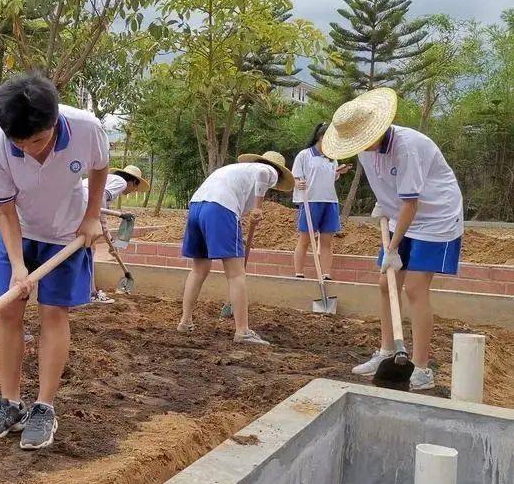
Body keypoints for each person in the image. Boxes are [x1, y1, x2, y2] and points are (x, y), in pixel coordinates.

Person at [0, 73, 110, 450]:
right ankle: (10, 403)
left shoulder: (86, 128)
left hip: (66, 233)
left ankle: (44, 407)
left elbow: (100, 167)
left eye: (36, 140)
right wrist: (18, 266)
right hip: (17, 230)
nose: (29, 150)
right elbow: (5, 210)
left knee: (53, 312)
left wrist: (92, 215)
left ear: (53, 122)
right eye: (20, 143)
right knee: (7, 311)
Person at [321, 88, 464, 391]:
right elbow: (386, 184)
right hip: (400, 215)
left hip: (436, 217)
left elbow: (412, 202)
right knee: (385, 283)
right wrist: (384, 207)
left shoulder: (407, 147)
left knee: (414, 287)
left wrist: (394, 247)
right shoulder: (364, 149)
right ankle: (387, 350)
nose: (358, 146)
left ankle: (422, 369)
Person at [176, 151, 294, 345]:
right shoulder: (266, 170)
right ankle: (243, 331)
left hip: (197, 207)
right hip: (220, 209)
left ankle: (185, 321)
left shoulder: (237, 170)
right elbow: (264, 175)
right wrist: (258, 206)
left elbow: (236, 208)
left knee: (198, 270)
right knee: (236, 274)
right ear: (278, 173)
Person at [291, 122, 351, 279]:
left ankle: (326, 275)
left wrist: (339, 172)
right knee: (305, 239)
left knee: (327, 240)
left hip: (330, 201)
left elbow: (330, 177)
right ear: (320, 137)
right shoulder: (304, 155)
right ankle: (299, 273)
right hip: (310, 200)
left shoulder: (332, 158)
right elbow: (294, 178)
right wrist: (297, 183)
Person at [85, 165, 149, 303]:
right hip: (81, 208)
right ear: (133, 182)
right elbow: (99, 201)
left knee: (88, 249)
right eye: (136, 187)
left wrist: (109, 238)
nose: (134, 190)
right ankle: (90, 293)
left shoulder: (110, 179)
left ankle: (88, 292)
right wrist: (105, 229)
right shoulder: (121, 182)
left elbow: (99, 205)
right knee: (89, 251)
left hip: (76, 209)